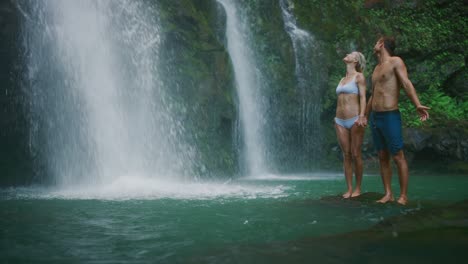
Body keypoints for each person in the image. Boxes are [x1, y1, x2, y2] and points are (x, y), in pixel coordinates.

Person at [367, 36, 430, 205]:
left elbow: (406, 83)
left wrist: (417, 104)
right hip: (375, 117)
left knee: (398, 156)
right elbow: (373, 95)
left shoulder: (396, 61)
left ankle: (403, 196)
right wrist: (363, 115)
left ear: (381, 44)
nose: (374, 44)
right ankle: (388, 194)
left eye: (376, 41)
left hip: (390, 115)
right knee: (382, 156)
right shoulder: (376, 68)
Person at [335, 51, 367, 198]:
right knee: (346, 155)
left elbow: (363, 97)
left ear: (356, 60)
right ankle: (349, 189)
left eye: (351, 54)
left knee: (356, 154)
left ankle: (358, 188)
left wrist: (362, 116)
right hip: (339, 120)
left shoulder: (359, 77)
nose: (347, 54)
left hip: (354, 119)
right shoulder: (342, 79)